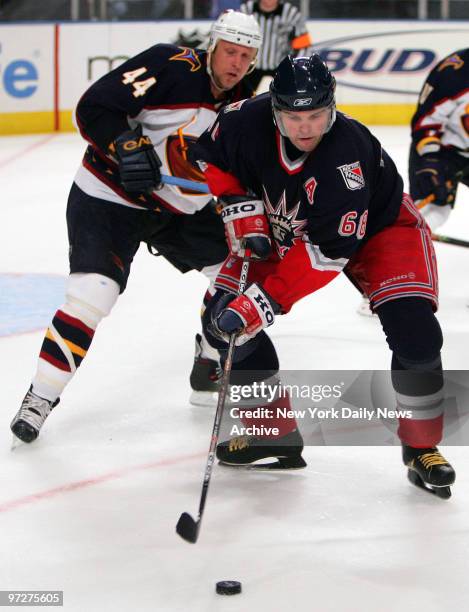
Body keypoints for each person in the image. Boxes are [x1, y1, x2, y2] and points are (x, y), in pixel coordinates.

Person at [191, 54, 456, 496]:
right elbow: (208, 155)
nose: (306, 127)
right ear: (274, 109)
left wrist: (261, 302)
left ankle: (422, 448)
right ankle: (271, 433)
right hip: (286, 224)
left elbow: (325, 255)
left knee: (416, 335)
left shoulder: (344, 158)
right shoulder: (244, 118)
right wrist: (238, 203)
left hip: (380, 229)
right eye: (294, 117)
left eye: (316, 115)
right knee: (221, 322)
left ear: (332, 107)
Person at [10, 10, 262, 443]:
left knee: (238, 281)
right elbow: (95, 106)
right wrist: (126, 145)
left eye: (246, 55)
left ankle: (207, 359)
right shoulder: (170, 65)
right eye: (230, 51)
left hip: (179, 209)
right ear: (213, 47)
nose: (236, 63)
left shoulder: (245, 106)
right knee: (92, 295)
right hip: (110, 196)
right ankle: (39, 397)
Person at [409, 48, 469, 232]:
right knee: (433, 210)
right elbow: (426, 122)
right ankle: (408, 245)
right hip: (442, 151)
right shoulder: (455, 74)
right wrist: (431, 161)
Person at [240, 0, 313, 91]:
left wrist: (295, 68)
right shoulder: (246, 10)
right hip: (250, 66)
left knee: (287, 99)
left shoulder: (291, 13)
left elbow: (304, 46)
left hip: (280, 66)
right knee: (242, 99)